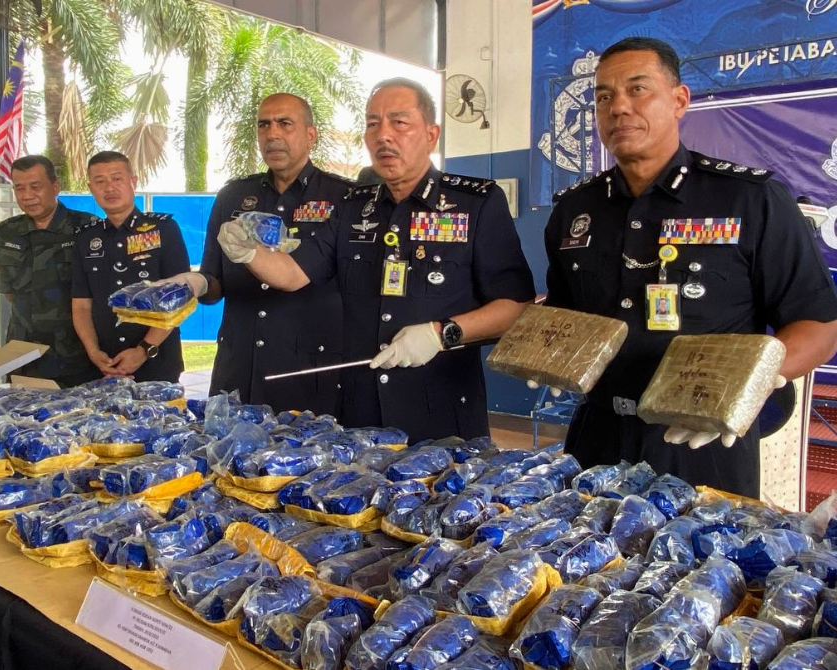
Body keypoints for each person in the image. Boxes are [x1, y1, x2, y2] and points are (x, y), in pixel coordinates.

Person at [544, 37, 837, 497]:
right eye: (603, 97)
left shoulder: (749, 200)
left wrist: (757, 378)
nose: (618, 107)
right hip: (595, 440)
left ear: (680, 101)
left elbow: (818, 325)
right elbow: (564, 316)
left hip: (705, 448)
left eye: (638, 89)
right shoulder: (573, 211)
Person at [215, 78, 535, 442]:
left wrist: (441, 333)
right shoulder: (352, 206)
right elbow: (292, 274)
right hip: (358, 413)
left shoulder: (475, 203)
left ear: (431, 135)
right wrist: (249, 252)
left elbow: (517, 306)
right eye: (372, 124)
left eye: (399, 122)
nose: (384, 135)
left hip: (440, 411)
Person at [179, 93, 352, 413]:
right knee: (225, 460)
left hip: (306, 371)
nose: (272, 134)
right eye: (264, 125)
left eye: (285, 124)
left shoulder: (343, 197)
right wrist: (197, 284)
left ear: (310, 135)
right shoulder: (233, 196)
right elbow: (214, 279)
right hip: (239, 369)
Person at [71, 151, 190, 382]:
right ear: (91, 188)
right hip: (103, 365)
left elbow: (179, 297)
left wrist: (144, 350)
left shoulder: (163, 229)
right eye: (100, 181)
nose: (109, 188)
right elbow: (81, 305)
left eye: (117, 178)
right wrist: (93, 353)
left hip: (157, 363)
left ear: (132, 182)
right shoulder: (86, 238)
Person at [0, 155, 95, 386]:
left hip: (78, 357)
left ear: (55, 187)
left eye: (36, 187)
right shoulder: (5, 234)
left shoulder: (87, 229)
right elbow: (9, 293)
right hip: (23, 358)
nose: (27, 196)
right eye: (20, 188)